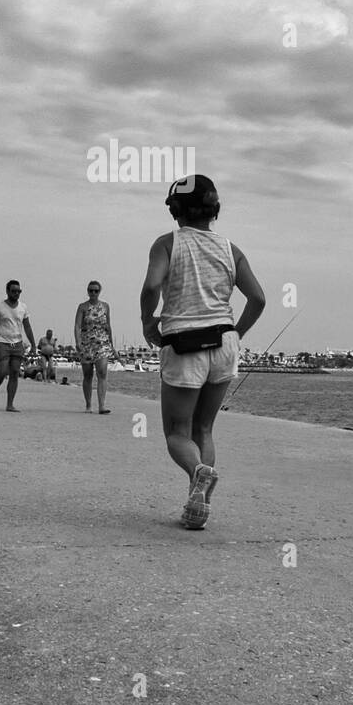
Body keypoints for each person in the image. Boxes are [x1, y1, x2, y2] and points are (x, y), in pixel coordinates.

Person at [139, 175, 265, 530]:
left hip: (184, 343)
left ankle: (197, 473)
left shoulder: (166, 244)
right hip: (224, 342)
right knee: (204, 429)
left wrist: (148, 322)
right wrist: (236, 333)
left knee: (177, 433)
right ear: (214, 210)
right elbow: (258, 299)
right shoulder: (231, 249)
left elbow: (151, 285)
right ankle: (199, 506)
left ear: (176, 209)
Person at [0, 280, 36, 411]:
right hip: (2, 342)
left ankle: (10, 404)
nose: (16, 294)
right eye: (13, 291)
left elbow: (27, 327)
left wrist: (33, 345)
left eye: (19, 291)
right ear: (7, 291)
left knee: (14, 372)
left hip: (17, 343)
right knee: (1, 372)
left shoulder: (23, 307)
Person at [74, 282, 115, 413]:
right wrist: (78, 342)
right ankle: (88, 405)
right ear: (87, 291)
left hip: (102, 344)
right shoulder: (82, 307)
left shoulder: (105, 306)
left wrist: (111, 345)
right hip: (86, 344)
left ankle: (102, 406)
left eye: (96, 291)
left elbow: (108, 326)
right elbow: (77, 326)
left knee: (102, 373)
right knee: (88, 375)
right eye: (91, 290)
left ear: (99, 291)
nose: (93, 293)